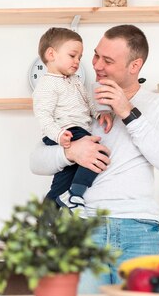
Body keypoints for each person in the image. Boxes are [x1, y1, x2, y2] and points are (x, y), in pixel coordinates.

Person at [29, 25, 159, 293]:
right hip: (83, 230)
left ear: (135, 65)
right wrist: (70, 152)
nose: (96, 65)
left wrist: (127, 111)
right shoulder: (78, 95)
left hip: (140, 232)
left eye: (108, 61)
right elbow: (36, 161)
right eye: (96, 55)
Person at [32, 27, 112, 211]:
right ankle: (75, 194)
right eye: (72, 55)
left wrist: (99, 113)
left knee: (64, 177)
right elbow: (43, 117)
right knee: (97, 153)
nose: (77, 62)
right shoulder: (46, 84)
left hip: (79, 130)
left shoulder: (75, 80)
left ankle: (46, 217)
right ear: (51, 54)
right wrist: (59, 135)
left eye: (79, 57)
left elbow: (87, 102)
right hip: (66, 130)